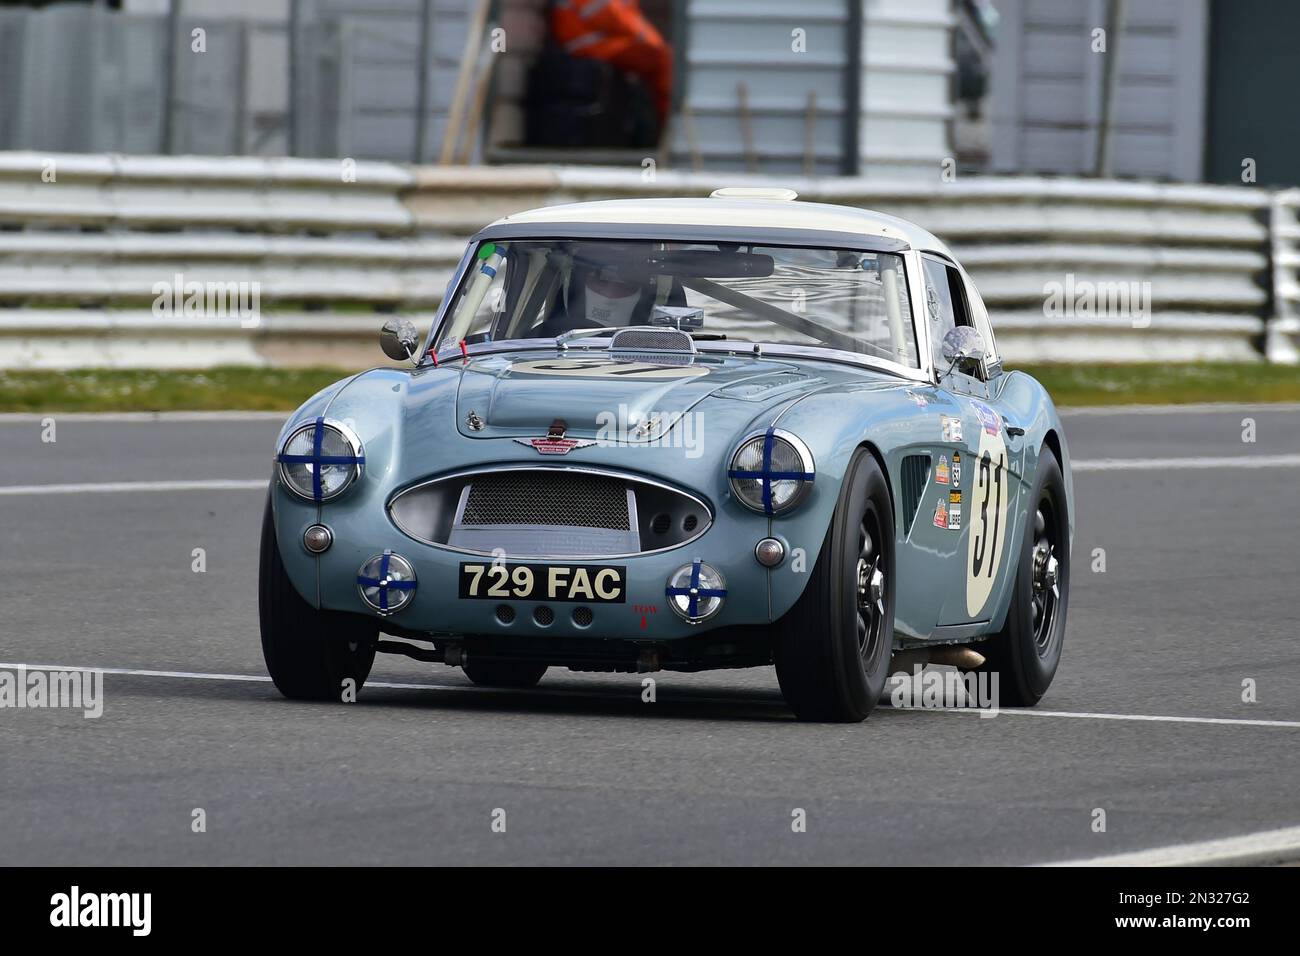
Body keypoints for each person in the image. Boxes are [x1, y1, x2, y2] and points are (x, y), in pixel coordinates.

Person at [549, 0, 673, 123]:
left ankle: (666, 123)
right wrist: (652, 45)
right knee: (662, 59)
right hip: (588, 45)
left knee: (662, 57)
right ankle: (672, 123)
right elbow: (611, 17)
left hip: (600, 42)